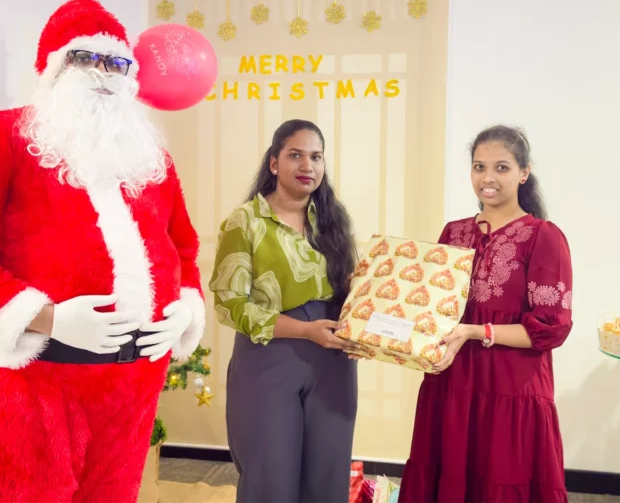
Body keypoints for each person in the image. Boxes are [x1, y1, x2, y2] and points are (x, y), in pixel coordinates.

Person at [0, 0, 207, 503]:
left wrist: (185, 308)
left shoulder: (146, 157)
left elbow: (182, 246)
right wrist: (46, 318)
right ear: (52, 68)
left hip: (131, 389)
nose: (103, 72)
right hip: (36, 388)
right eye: (85, 57)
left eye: (117, 62)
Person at [399, 125, 574, 503]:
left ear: (524, 172)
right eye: (479, 167)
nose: (488, 178)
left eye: (502, 168)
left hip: (512, 388)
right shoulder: (454, 232)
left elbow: (551, 330)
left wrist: (476, 331)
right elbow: (432, 309)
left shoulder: (543, 236)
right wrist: (374, 334)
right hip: (452, 385)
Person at [208, 119, 362, 503]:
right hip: (269, 358)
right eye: (295, 155)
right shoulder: (244, 221)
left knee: (328, 475)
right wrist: (305, 330)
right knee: (270, 477)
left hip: (334, 360)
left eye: (316, 157)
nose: (307, 165)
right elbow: (230, 304)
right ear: (274, 163)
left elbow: (352, 292)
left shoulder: (332, 222)